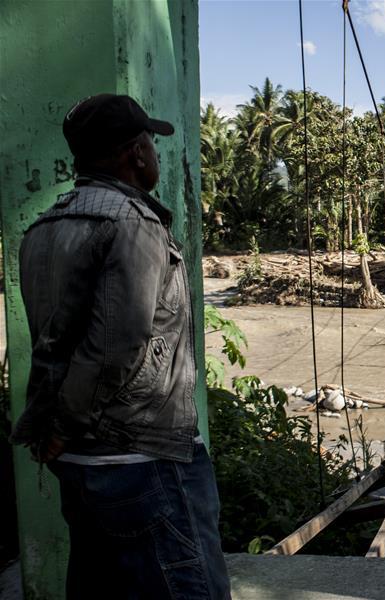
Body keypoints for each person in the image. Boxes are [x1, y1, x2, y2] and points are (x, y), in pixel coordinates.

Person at [9, 94, 231, 599]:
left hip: (81, 463)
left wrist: (53, 428)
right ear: (135, 153)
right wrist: (66, 424)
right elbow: (117, 348)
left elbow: (51, 342)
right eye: (150, 142)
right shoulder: (135, 223)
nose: (153, 152)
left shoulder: (43, 226)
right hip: (141, 457)